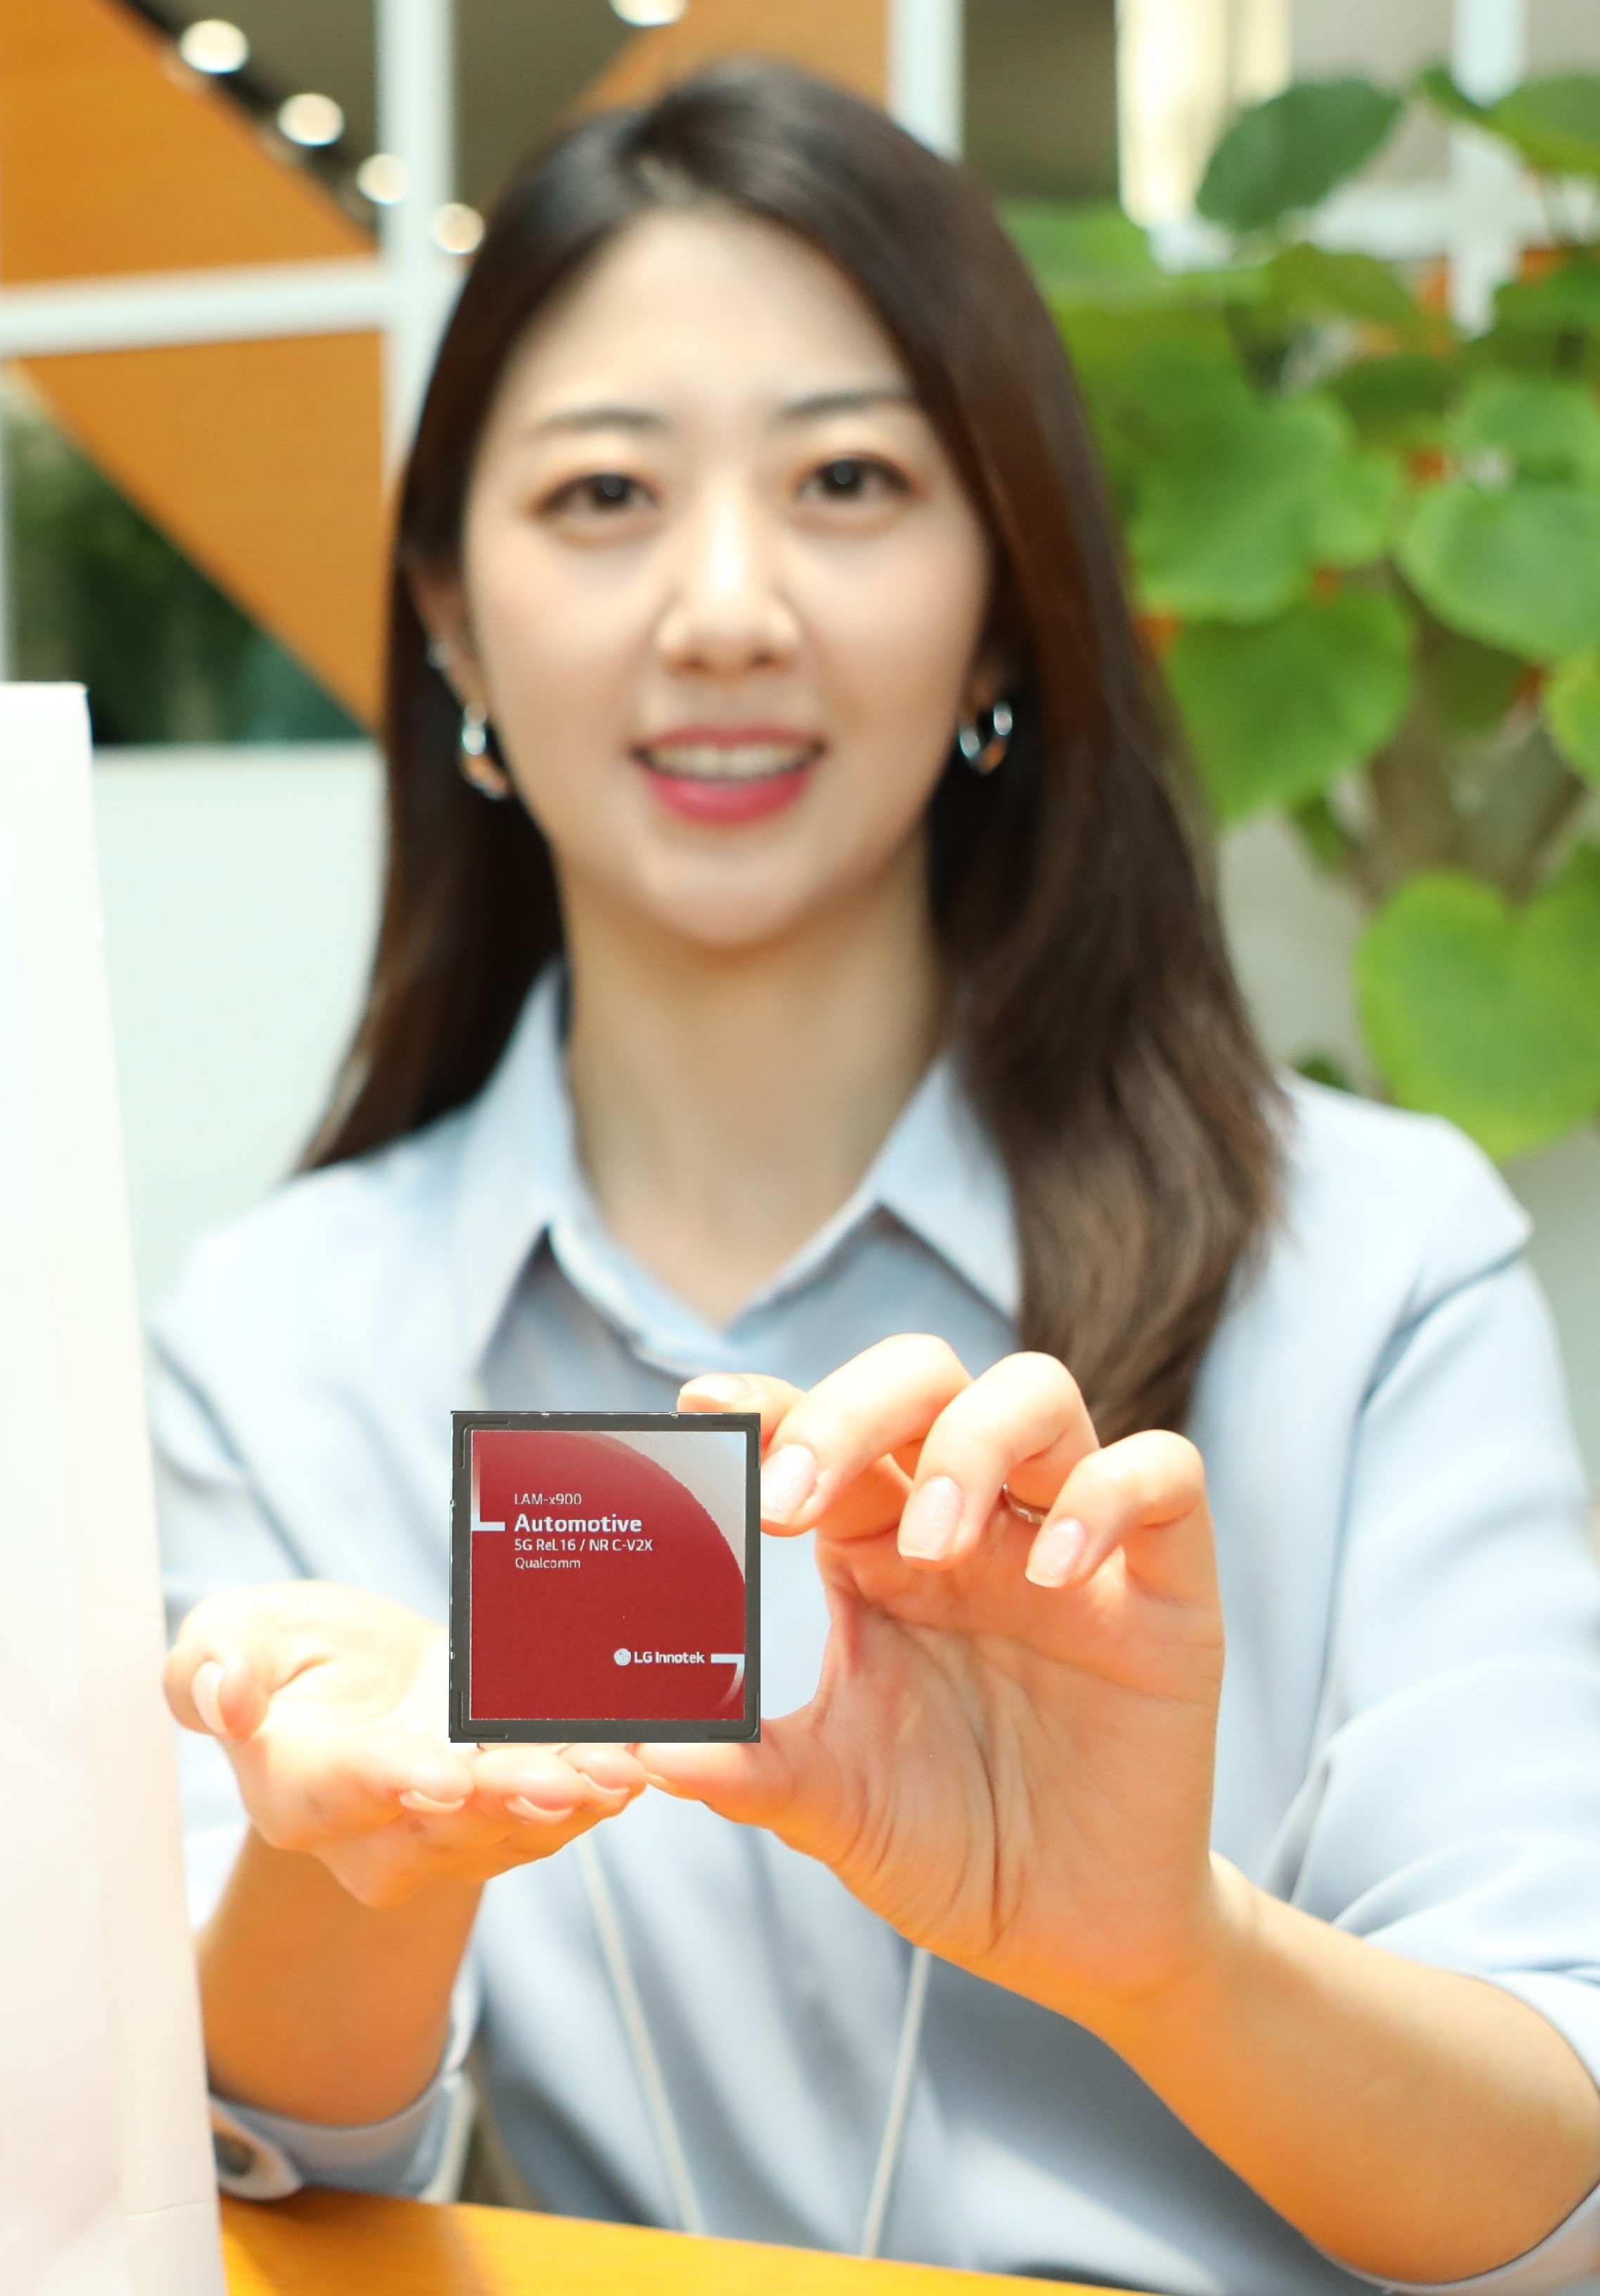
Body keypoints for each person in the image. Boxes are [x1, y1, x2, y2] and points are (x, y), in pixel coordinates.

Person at [152, 60, 1600, 2291]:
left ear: (1004, 601)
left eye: (847, 480)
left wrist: (1168, 1953)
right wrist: (366, 1858)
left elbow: (1561, 2186)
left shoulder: (1369, 1266)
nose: (726, 608)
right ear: (450, 616)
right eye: (605, 494)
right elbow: (247, 2160)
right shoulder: (280, 1343)